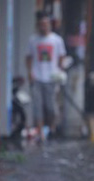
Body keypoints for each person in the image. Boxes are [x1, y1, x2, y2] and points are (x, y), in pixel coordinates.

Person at [26, 11, 66, 142]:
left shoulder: (57, 40)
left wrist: (60, 72)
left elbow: (61, 58)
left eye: (46, 23)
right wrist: (30, 73)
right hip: (37, 77)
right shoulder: (33, 40)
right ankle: (41, 132)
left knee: (50, 107)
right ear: (38, 25)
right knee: (37, 106)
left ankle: (50, 128)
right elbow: (29, 58)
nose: (44, 26)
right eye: (41, 24)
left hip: (51, 78)